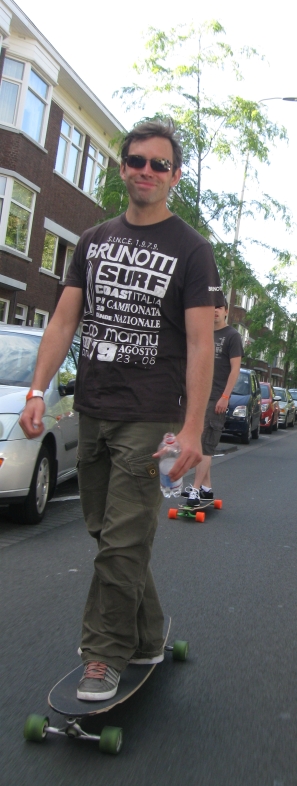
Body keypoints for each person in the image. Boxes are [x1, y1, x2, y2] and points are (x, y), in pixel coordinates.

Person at [19, 120, 222, 701]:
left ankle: (102, 656)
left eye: (160, 164)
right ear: (123, 167)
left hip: (151, 414)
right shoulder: (92, 241)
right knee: (107, 533)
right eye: (137, 161)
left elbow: (201, 344)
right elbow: (63, 321)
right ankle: (147, 634)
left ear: (175, 177)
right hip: (93, 406)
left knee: (122, 541)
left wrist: (192, 429)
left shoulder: (192, 250)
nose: (147, 171)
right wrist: (36, 391)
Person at [184, 299, 243, 506]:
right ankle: (206, 489)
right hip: (198, 396)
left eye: (219, 308)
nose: (215, 311)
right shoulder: (205, 333)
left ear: (226, 311)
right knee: (199, 443)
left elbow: (235, 369)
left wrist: (225, 396)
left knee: (205, 445)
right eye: (213, 308)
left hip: (216, 397)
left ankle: (195, 489)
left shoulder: (232, 336)